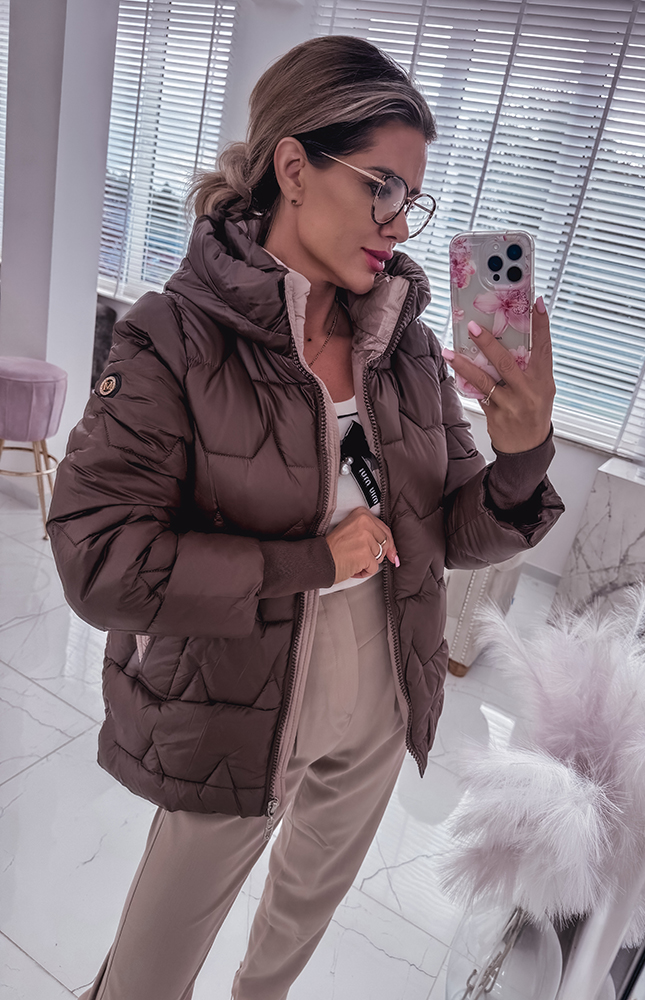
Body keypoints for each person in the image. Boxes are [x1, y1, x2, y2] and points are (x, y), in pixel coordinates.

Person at [48, 34, 563, 1000]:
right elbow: (99, 560)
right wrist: (310, 564)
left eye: (413, 198)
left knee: (284, 953)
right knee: (148, 977)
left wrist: (524, 451)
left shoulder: (406, 347)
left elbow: (453, 530)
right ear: (293, 167)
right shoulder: (172, 337)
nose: (399, 223)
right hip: (237, 705)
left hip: (383, 696)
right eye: (381, 187)